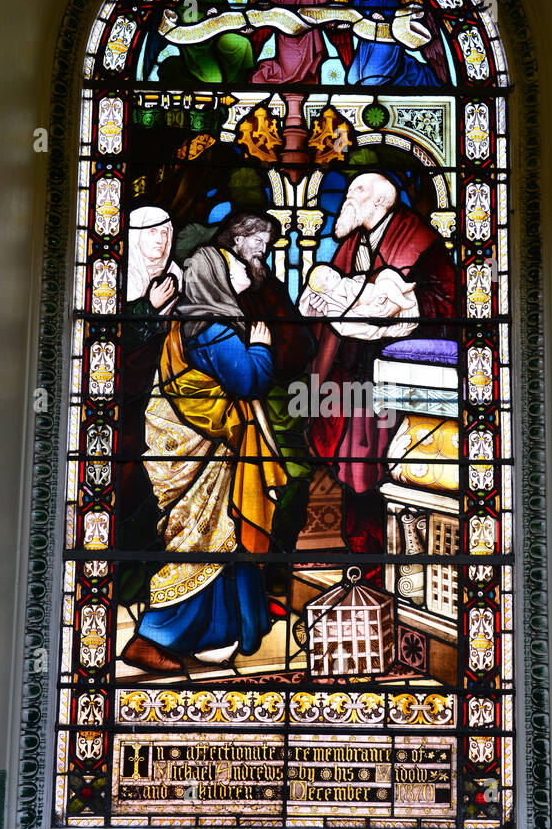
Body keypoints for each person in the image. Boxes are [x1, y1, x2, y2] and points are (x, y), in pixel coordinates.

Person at [121, 240, 286, 676]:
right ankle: (151, 638)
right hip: (200, 450)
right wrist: (262, 349)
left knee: (220, 539)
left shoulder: (183, 322)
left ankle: (215, 634)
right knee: (200, 539)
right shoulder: (208, 328)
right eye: (233, 272)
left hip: (200, 446)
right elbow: (247, 380)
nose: (242, 281)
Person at [307, 172, 455, 566]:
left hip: (396, 374)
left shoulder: (418, 241)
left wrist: (403, 307)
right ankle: (360, 557)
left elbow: (446, 301)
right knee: (353, 467)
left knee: (383, 469)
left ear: (379, 203)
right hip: (352, 373)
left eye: (357, 193)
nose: (348, 200)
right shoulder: (353, 242)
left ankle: (383, 564)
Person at [213, 211, 316, 594]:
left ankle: (275, 564)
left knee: (294, 479)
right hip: (245, 401)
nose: (264, 248)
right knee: (266, 479)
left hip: (284, 397)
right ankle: (249, 574)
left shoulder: (264, 281)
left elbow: (294, 337)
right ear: (236, 240)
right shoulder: (221, 282)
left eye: (268, 242)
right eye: (257, 239)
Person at [119, 207, 184, 603]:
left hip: (165, 398)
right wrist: (147, 308)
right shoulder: (119, 276)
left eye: (165, 233)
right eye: (151, 234)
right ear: (134, 237)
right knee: (133, 485)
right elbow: (104, 337)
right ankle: (126, 586)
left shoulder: (175, 275)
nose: (160, 241)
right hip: (123, 403)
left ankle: (147, 583)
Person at [157, 0, 253, 86]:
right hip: (200, 44)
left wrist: (240, 29)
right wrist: (205, 16)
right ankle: (177, 70)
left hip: (216, 41)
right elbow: (185, 14)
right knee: (213, 80)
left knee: (241, 43)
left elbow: (226, 21)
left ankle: (237, 85)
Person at [342, 0, 438, 88]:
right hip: (365, 44)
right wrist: (346, 25)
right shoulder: (357, 2)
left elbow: (398, 19)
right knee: (352, 80)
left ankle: (410, 70)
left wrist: (384, 18)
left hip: (386, 43)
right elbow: (354, 19)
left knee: (371, 81)